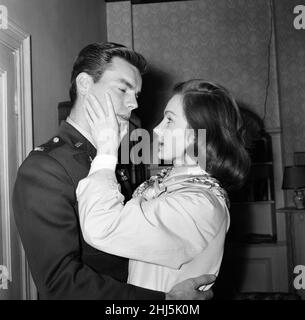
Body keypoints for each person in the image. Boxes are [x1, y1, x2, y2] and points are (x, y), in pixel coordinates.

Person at [12, 42, 215, 300]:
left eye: (136, 95)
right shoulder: (45, 168)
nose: (133, 104)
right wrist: (164, 301)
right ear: (85, 84)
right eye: (123, 89)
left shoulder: (107, 155)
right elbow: (59, 284)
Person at [76, 80, 251, 292]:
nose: (157, 129)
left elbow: (103, 228)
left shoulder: (199, 205)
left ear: (197, 134)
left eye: (169, 120)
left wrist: (106, 153)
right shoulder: (171, 183)